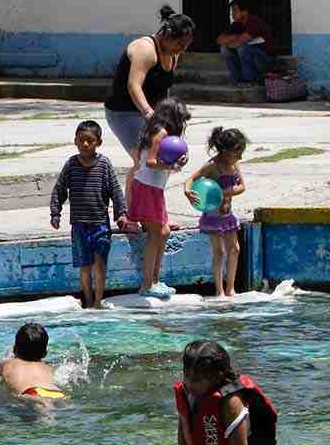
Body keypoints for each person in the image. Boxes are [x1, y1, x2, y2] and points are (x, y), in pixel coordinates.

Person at [172, 340, 282, 445]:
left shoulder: (230, 402)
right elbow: (183, 435)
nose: (190, 383)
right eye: (187, 376)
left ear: (217, 377)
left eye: (197, 379)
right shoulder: (189, 393)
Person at [50, 121, 129, 308]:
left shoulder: (104, 164)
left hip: (100, 224)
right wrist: (55, 213)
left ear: (98, 142)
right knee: (85, 267)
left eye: (90, 141)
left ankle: (97, 301)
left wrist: (122, 213)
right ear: (75, 141)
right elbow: (59, 189)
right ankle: (87, 299)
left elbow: (116, 190)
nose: (85, 144)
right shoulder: (71, 165)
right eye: (81, 140)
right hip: (79, 225)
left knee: (100, 265)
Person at [104, 5, 195, 158]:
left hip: (153, 113)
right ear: (167, 34)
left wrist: (168, 114)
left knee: (167, 156)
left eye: (186, 45)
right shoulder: (145, 49)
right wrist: (148, 113)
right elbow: (134, 86)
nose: (183, 49)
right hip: (124, 112)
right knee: (144, 159)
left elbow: (164, 86)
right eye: (180, 44)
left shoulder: (173, 53)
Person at [128, 99, 191, 299]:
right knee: (155, 235)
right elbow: (151, 162)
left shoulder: (156, 132)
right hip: (147, 188)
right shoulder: (160, 133)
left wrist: (178, 160)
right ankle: (147, 285)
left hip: (154, 188)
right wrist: (172, 167)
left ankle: (155, 280)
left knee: (163, 233)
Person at [184, 127, 248, 298]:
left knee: (234, 249)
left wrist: (225, 192)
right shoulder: (213, 166)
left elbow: (242, 186)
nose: (240, 156)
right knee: (219, 252)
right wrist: (188, 191)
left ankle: (231, 288)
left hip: (228, 215)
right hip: (213, 216)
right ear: (226, 151)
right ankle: (219, 290)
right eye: (238, 152)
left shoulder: (234, 165)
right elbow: (191, 179)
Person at [0, 323, 65, 399]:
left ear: (14, 348)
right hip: (56, 392)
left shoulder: (6, 364)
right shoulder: (48, 367)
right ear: (45, 353)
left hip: (31, 392)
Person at [217, 0, 274, 86]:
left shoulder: (254, 21)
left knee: (242, 48)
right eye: (232, 11)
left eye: (235, 11)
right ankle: (237, 80)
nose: (232, 14)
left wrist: (233, 40)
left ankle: (250, 80)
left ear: (244, 12)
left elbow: (238, 42)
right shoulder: (237, 24)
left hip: (266, 61)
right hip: (251, 57)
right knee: (224, 49)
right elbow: (219, 40)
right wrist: (236, 37)